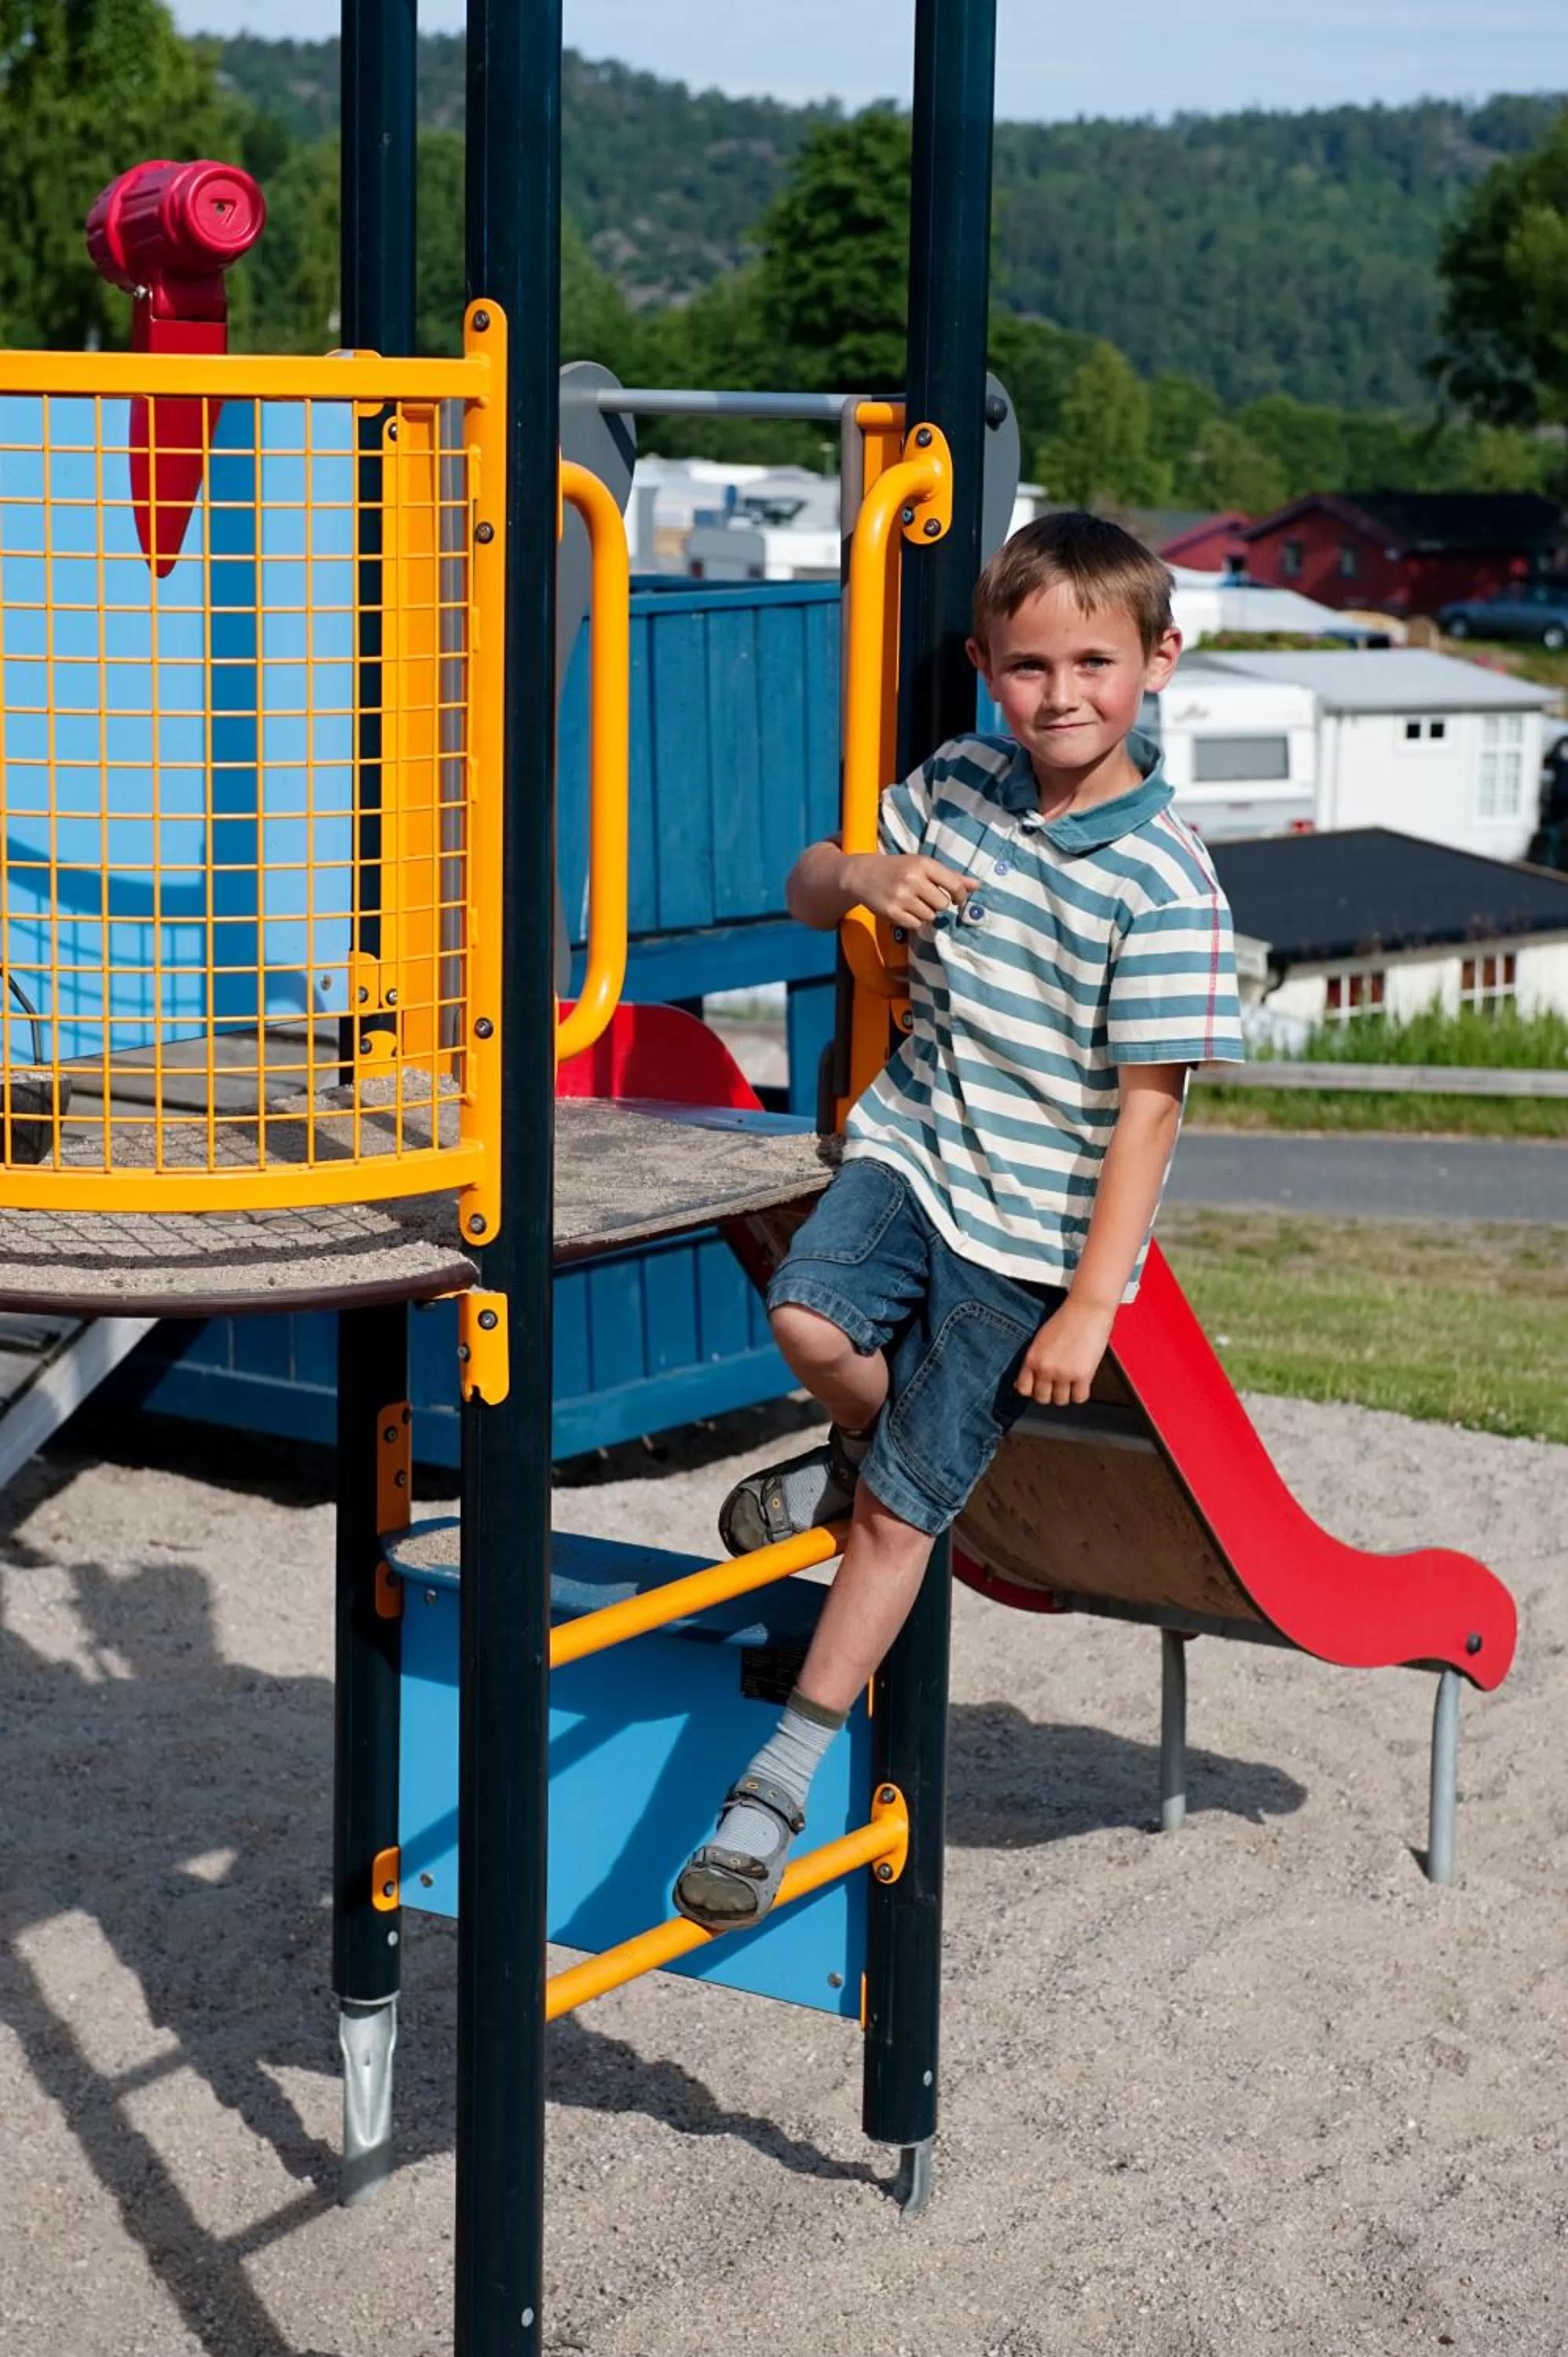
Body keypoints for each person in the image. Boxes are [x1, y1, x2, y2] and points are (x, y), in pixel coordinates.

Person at [674, 509, 1246, 1934]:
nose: (1062, 697)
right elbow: (810, 885)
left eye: (1095, 665)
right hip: (917, 1152)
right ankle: (864, 1443)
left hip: (1032, 1234)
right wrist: (864, 876)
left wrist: (1092, 1302)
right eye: (1031, 666)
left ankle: (773, 1791)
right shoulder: (963, 783)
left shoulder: (1166, 884)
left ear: (1157, 663)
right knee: (803, 1313)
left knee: (895, 1524)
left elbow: (1151, 1111)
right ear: (989, 666)